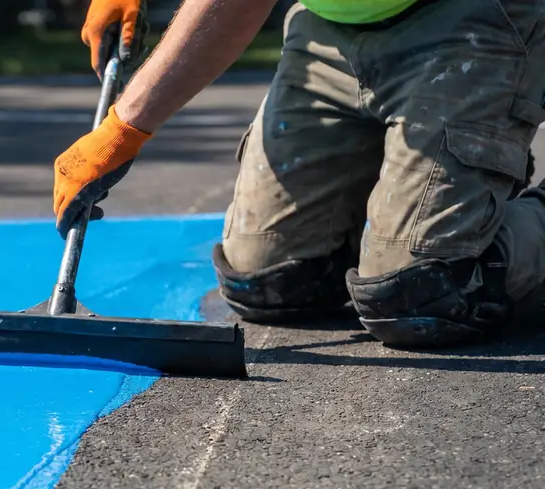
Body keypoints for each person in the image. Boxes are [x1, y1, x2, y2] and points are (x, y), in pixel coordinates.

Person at [54, 0, 545, 347]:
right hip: (331, 25)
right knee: (269, 282)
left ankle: (435, 234)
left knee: (419, 295)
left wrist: (125, 127)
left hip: (473, 19)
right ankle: (414, 209)